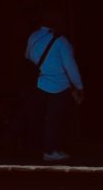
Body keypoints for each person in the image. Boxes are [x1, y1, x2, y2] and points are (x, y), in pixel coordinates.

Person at [25, 14, 82, 162]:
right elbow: (70, 66)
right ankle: (51, 150)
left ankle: (38, 148)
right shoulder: (62, 42)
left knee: (38, 119)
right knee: (55, 120)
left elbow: (28, 57)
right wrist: (79, 85)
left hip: (37, 84)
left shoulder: (33, 37)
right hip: (59, 86)